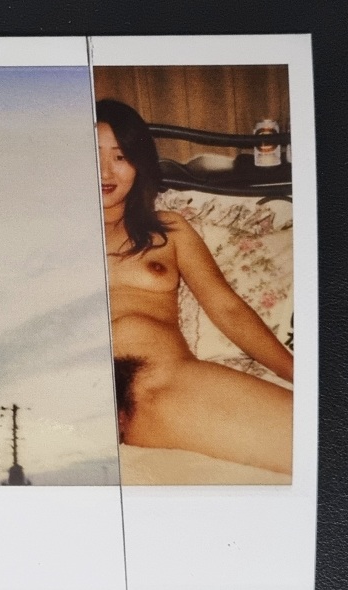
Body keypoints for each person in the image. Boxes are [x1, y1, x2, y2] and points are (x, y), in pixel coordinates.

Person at [96, 99, 293, 475]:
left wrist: (298, 373)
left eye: (120, 156)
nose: (105, 170)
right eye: (92, 154)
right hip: (76, 404)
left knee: (317, 443)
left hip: (163, 386)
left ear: (138, 163)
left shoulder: (169, 230)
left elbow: (227, 309)